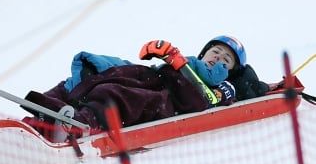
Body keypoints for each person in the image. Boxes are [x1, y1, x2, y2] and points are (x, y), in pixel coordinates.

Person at [22, 35, 270, 141]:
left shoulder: (226, 86)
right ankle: (32, 123)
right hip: (150, 77)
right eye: (215, 52)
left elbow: (205, 99)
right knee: (90, 76)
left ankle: (78, 124)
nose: (218, 58)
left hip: (164, 97)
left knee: (114, 94)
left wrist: (176, 60)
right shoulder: (189, 63)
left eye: (226, 60)